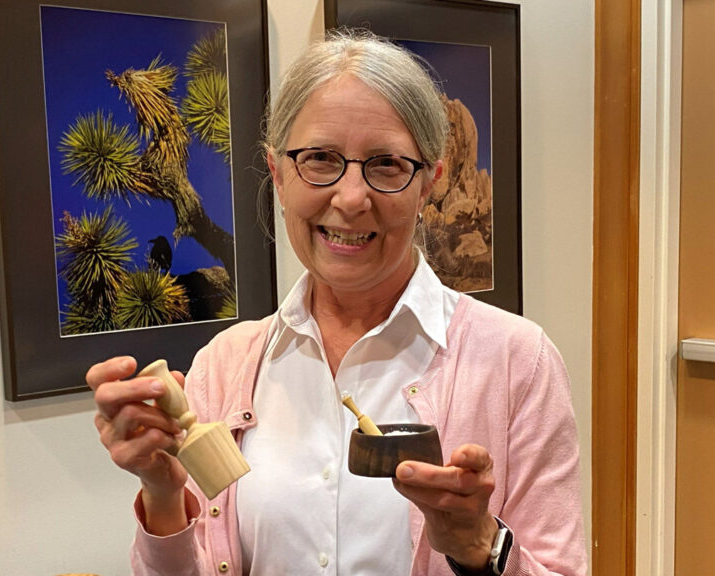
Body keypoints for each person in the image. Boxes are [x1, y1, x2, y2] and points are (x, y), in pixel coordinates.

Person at [87, 29, 587, 576]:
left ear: (430, 184)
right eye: (320, 159)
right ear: (277, 174)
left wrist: (478, 547)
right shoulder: (224, 367)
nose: (351, 199)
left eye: (387, 165)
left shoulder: (517, 362)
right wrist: (163, 493)